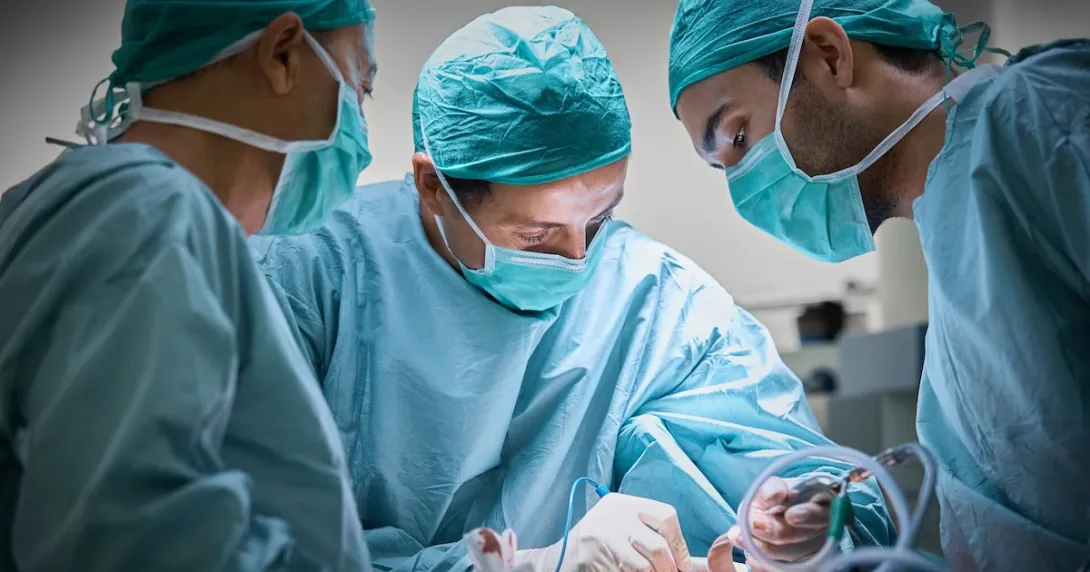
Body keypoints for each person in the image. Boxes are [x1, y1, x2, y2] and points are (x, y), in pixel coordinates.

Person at [254, 6, 896, 572]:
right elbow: (247, 538)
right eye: (537, 236)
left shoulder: (661, 305)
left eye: (599, 219)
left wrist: (799, 524)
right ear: (432, 187)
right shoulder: (307, 278)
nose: (578, 259)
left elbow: (800, 482)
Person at [668, 0, 1090, 568]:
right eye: (724, 169)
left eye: (740, 137)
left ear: (828, 55)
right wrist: (832, 522)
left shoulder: (1045, 119)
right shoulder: (957, 223)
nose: (746, 192)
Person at [0, 1, 378, 570]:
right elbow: (131, 540)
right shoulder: (149, 220)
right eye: (359, 89)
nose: (362, 132)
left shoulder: (73, 206)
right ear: (282, 55)